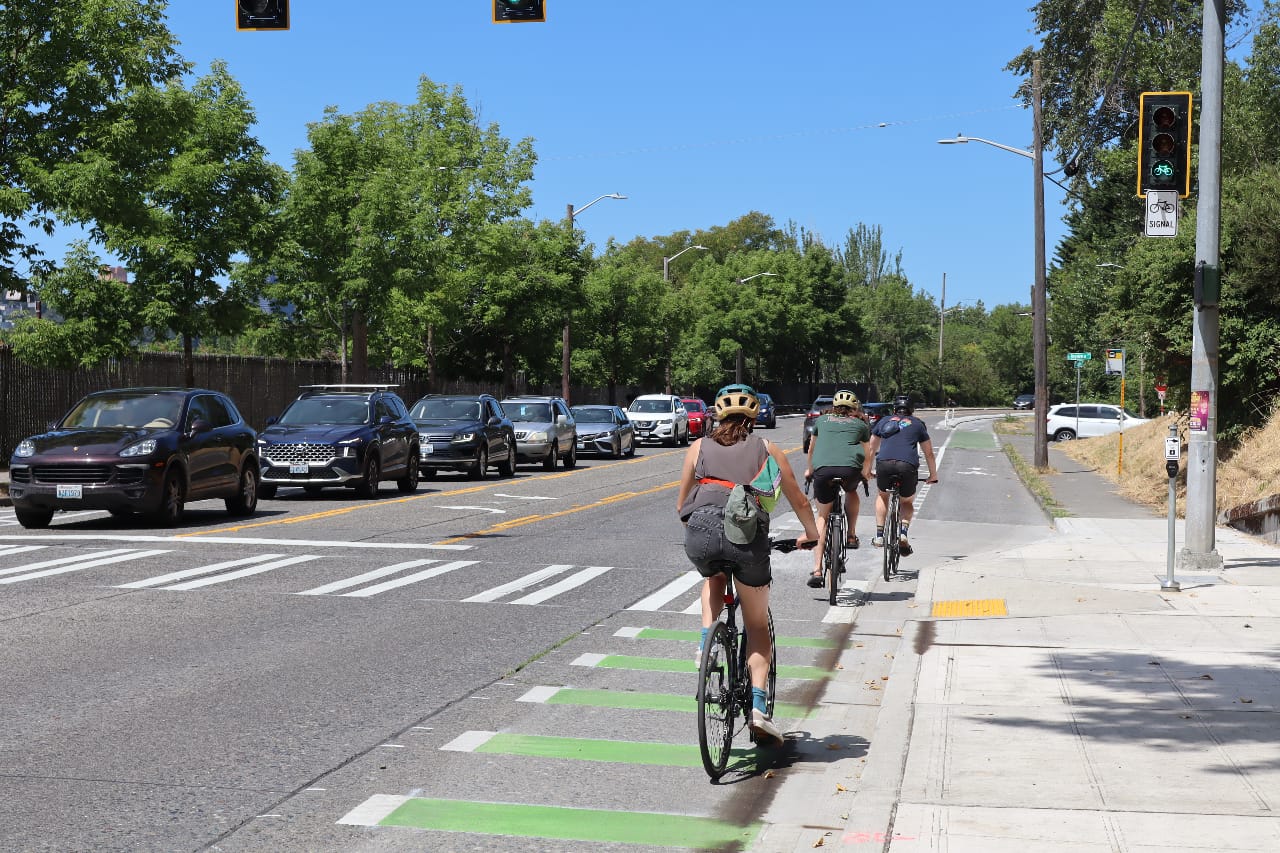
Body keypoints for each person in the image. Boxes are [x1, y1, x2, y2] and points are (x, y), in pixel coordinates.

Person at [676, 383, 818, 745]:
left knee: (712, 575)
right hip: (746, 535)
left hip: (701, 531)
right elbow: (798, 499)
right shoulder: (767, 449)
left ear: (717, 417)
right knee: (756, 625)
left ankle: (706, 643)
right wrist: (811, 534)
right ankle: (757, 709)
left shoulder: (697, 447)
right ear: (754, 419)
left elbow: (682, 505)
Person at [803, 389, 872, 587]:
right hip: (850, 471)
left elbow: (812, 449)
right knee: (851, 491)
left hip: (823, 470)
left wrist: (809, 470)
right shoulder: (860, 424)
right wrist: (866, 473)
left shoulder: (821, 421)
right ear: (854, 408)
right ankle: (851, 535)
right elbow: (867, 454)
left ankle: (817, 570)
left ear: (833, 407)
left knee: (822, 517)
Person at [868, 394, 939, 556]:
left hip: (884, 465)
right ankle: (903, 532)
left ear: (894, 410)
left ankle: (879, 536)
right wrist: (932, 475)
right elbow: (929, 454)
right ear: (911, 411)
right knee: (906, 501)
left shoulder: (884, 421)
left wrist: (867, 471)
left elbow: (871, 449)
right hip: (907, 466)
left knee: (882, 495)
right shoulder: (918, 424)